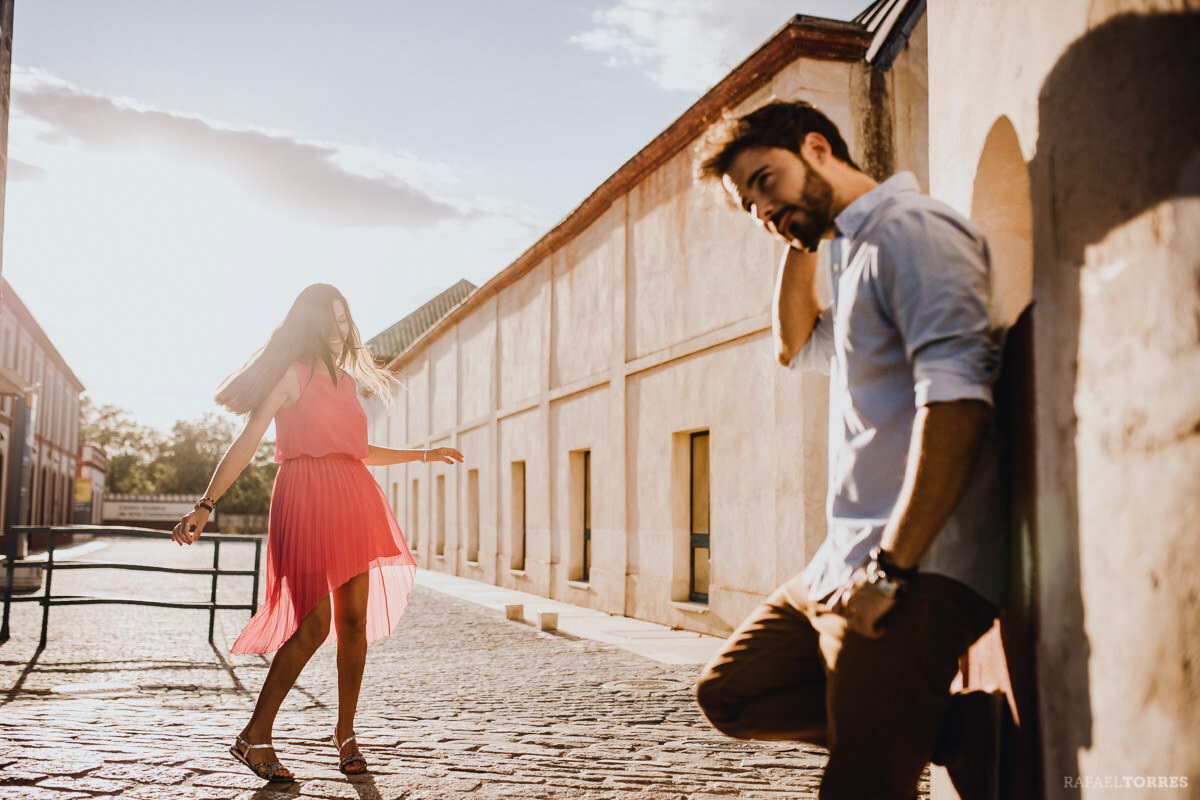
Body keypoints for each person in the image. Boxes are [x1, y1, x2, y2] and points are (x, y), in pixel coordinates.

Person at [691, 100, 1007, 799]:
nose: (762, 211)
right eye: (749, 206)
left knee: (861, 786)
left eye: (766, 182)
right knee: (731, 694)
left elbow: (956, 402)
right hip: (841, 562)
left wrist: (892, 571)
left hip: (917, 571)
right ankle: (955, 730)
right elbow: (793, 345)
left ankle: (916, 727)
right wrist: (794, 236)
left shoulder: (913, 233)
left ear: (818, 148)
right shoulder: (854, 253)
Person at [172, 283, 463, 782]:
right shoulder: (292, 375)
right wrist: (206, 504)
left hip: (353, 499)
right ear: (309, 326)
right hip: (305, 498)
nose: (337, 329)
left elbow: (357, 449)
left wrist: (422, 454)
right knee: (313, 624)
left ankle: (346, 734)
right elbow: (247, 442)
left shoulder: (347, 382)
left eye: (344, 319)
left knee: (354, 624)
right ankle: (254, 735)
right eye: (328, 320)